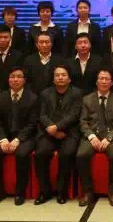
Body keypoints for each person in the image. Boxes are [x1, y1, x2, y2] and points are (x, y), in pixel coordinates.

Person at [0, 67, 39, 206]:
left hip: (25, 137)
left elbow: (32, 124)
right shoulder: (0, 97)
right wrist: (3, 139)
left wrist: (18, 140)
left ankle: (20, 192)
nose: (15, 79)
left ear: (24, 80)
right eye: (12, 76)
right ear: (8, 79)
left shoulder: (33, 98)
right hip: (4, 136)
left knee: (22, 154)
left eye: (18, 77)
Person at [77, 69, 113, 207]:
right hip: (93, 135)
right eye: (101, 78)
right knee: (81, 155)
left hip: (112, 136)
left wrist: (109, 138)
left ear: (111, 82)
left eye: (107, 79)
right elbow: (83, 122)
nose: (103, 81)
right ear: (96, 81)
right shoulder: (87, 99)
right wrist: (91, 137)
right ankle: (88, 192)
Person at [34, 64, 82, 204]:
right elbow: (42, 115)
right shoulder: (45, 93)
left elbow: (74, 115)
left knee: (66, 154)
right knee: (40, 153)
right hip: (48, 132)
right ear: (53, 79)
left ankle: (62, 192)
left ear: (69, 79)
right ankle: (45, 192)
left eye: (63, 75)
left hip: (69, 132)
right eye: (57, 75)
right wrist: (52, 129)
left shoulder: (77, 93)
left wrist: (58, 127)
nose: (60, 77)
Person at [22, 32, 65, 96]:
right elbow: (26, 81)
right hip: (33, 97)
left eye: (47, 42)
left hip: (54, 96)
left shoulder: (60, 60)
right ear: (36, 44)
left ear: (51, 44)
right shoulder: (28, 60)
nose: (44, 45)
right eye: (41, 42)